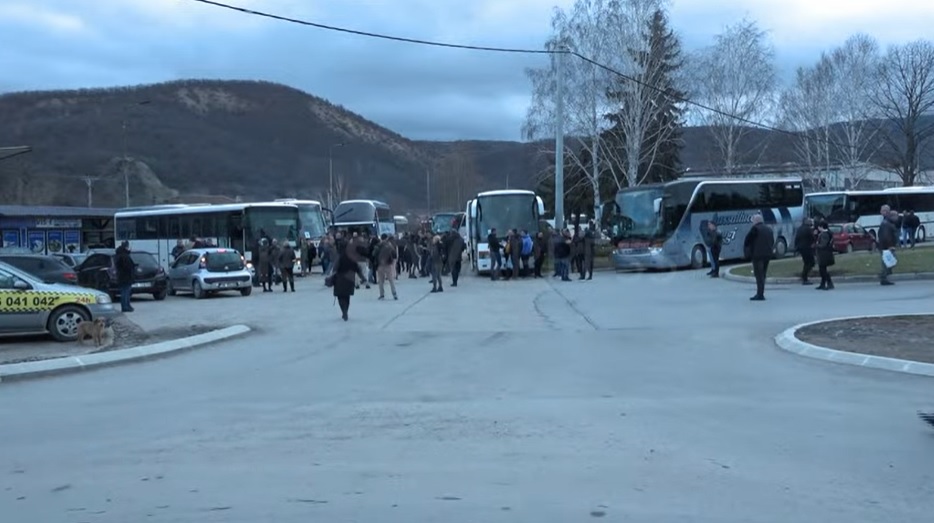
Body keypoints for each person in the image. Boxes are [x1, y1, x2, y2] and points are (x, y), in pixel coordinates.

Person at [332, 237, 365, 321]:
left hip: (340, 278)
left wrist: (332, 277)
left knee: (340, 296)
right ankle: (346, 310)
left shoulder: (339, 256)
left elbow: (335, 268)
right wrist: (363, 278)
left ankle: (344, 311)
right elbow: (357, 268)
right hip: (350, 279)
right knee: (347, 296)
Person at [743, 214, 774, 301]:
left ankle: (760, 294)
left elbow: (747, 240)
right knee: (763, 274)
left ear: (756, 221)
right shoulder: (769, 229)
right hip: (767, 254)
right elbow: (772, 241)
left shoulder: (755, 229)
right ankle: (761, 292)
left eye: (753, 221)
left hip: (757, 255)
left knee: (759, 275)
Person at [114, 241, 135, 312]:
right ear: (126, 247)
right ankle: (125, 306)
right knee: (125, 292)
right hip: (125, 276)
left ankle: (127, 306)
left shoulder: (120, 254)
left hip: (122, 276)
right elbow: (127, 266)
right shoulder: (124, 256)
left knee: (126, 292)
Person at [794, 218, 816, 285]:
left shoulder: (799, 229)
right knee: (811, 262)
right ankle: (804, 277)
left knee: (806, 262)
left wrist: (796, 247)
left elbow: (796, 238)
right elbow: (812, 238)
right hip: (807, 248)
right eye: (809, 221)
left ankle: (804, 276)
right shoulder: (808, 229)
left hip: (801, 248)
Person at [815, 221, 835, 290]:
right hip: (825, 254)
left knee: (823, 270)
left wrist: (816, 245)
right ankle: (823, 284)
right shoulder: (827, 233)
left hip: (824, 254)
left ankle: (829, 283)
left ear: (821, 227)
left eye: (819, 227)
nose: (818, 228)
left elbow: (823, 245)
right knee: (822, 270)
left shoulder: (825, 234)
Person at [376, 234, 398, 300]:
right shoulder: (389, 245)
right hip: (388, 264)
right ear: (386, 238)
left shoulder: (378, 245)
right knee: (391, 280)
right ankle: (394, 294)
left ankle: (381, 294)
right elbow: (394, 254)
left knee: (381, 281)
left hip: (380, 265)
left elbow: (374, 254)